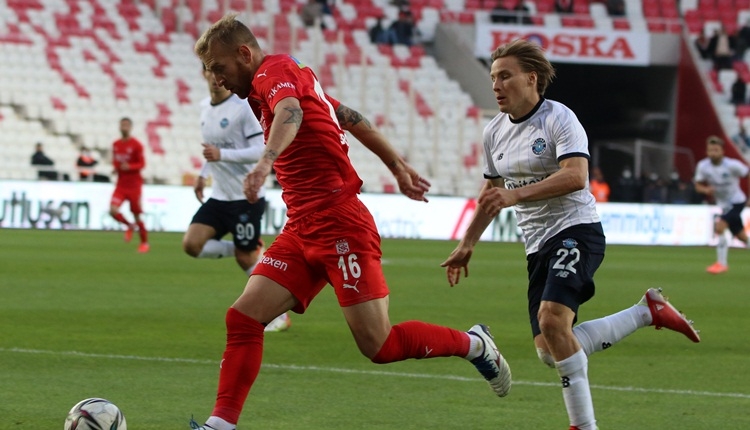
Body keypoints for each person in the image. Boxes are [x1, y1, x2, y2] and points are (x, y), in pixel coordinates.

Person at [188, 14, 512, 430]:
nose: (216, 78)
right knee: (244, 317)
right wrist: (396, 164)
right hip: (302, 224)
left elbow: (291, 111)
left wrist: (264, 162)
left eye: (218, 67)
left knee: (379, 344)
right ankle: (222, 424)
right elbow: (349, 116)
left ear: (244, 54)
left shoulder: (275, 73)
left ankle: (473, 344)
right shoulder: (283, 80)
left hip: (340, 223)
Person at [441, 39, 700, 430]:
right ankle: (647, 311)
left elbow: (576, 176)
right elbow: (490, 194)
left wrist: (517, 194)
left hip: (576, 230)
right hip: (536, 245)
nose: (496, 85)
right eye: (494, 77)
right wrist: (467, 243)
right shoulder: (493, 133)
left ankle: (584, 424)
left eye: (505, 76)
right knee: (551, 348)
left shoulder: (559, 118)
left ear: (531, 79)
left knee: (551, 320)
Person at [183, 64, 291, 333]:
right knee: (192, 244)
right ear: (204, 75)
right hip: (220, 196)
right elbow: (212, 149)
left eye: (221, 74)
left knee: (246, 259)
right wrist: (202, 174)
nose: (217, 79)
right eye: (211, 73)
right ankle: (248, 248)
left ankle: (279, 317)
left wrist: (221, 156)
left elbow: (262, 149)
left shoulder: (242, 108)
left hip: (246, 197)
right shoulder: (205, 108)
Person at [693, 135, 750, 274]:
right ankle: (722, 263)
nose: (713, 153)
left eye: (716, 150)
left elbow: (747, 173)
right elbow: (698, 185)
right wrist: (706, 189)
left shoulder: (732, 165)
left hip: (737, 202)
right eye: (710, 150)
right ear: (707, 152)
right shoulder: (703, 166)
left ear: (722, 151)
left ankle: (722, 264)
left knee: (720, 227)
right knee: (742, 237)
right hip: (724, 205)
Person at [110, 117, 149, 253]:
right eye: (122, 125)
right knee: (113, 210)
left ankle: (144, 243)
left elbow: (142, 164)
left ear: (130, 127)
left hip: (134, 185)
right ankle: (129, 226)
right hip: (121, 185)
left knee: (137, 214)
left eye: (126, 125)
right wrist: (116, 168)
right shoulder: (115, 144)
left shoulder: (137, 145)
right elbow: (115, 161)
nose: (124, 127)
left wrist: (130, 166)